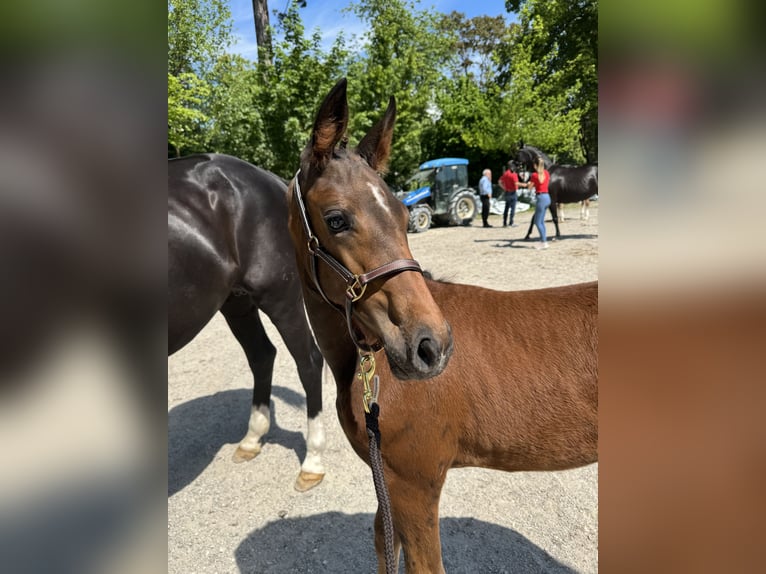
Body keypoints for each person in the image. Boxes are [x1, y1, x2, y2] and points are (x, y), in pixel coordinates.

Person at [525, 156, 551, 249]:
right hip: (547, 197)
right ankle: (544, 240)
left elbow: (529, 187)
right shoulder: (547, 173)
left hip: (540, 197)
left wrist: (528, 184)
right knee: (541, 221)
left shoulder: (534, 175)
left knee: (537, 222)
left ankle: (543, 242)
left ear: (535, 165)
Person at [498, 161, 519, 227]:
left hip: (507, 192)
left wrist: (504, 188)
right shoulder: (514, 174)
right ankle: (511, 222)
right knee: (513, 208)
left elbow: (499, 181)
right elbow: (516, 184)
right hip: (513, 192)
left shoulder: (505, 173)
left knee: (506, 208)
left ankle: (504, 223)